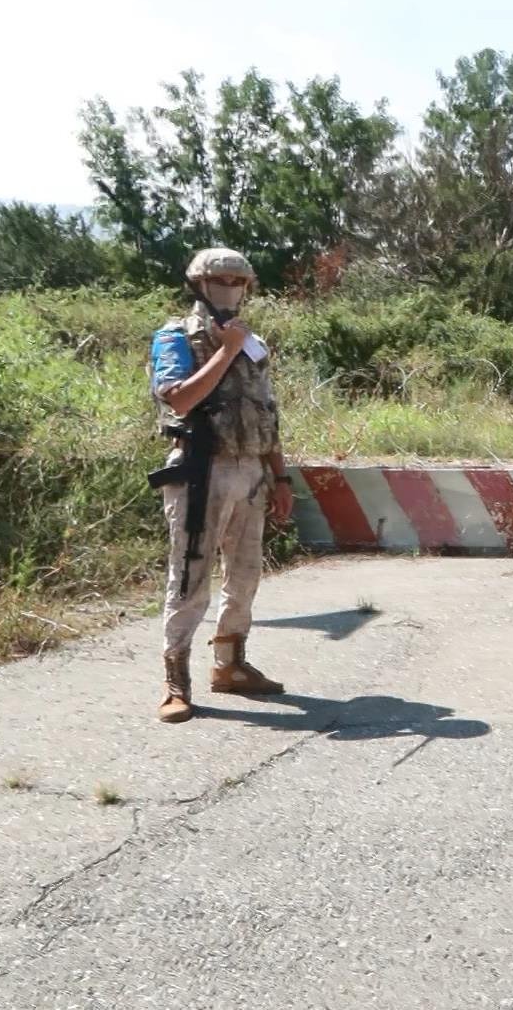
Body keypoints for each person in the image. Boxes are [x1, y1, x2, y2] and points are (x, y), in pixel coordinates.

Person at [147, 247, 294, 723]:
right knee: (190, 576)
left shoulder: (254, 344)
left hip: (250, 470)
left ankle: (230, 665)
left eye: (238, 281)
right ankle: (176, 681)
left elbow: (267, 412)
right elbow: (179, 399)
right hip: (200, 470)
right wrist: (226, 350)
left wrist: (280, 476)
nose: (230, 289)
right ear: (199, 285)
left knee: (246, 574)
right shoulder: (174, 337)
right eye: (221, 281)